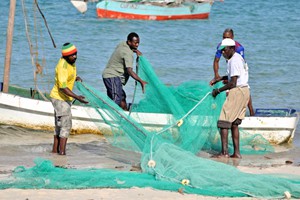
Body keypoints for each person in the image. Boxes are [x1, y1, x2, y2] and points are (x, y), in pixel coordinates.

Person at [210, 38, 250, 159]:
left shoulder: (234, 60)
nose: (222, 53)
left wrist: (217, 91)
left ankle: (224, 152)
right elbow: (234, 77)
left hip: (237, 92)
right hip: (245, 91)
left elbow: (232, 83)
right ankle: (236, 153)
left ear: (231, 48)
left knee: (224, 121)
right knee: (234, 123)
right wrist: (221, 78)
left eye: (224, 50)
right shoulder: (238, 58)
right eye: (221, 50)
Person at [50, 43, 88, 155]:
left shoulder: (70, 62)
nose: (75, 57)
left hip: (61, 98)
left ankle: (54, 152)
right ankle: (62, 153)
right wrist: (77, 97)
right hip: (60, 99)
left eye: (75, 54)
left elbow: (68, 75)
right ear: (66, 56)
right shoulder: (63, 66)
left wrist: (75, 77)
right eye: (72, 55)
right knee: (66, 126)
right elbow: (62, 87)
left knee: (59, 126)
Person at [210, 28, 254, 116]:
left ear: (232, 37)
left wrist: (232, 78)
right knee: (230, 91)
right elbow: (216, 61)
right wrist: (216, 77)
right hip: (230, 67)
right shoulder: (221, 46)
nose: (226, 39)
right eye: (224, 37)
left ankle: (252, 112)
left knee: (243, 86)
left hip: (238, 68)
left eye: (228, 37)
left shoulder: (238, 48)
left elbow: (240, 64)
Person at [102, 32, 147, 111]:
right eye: (135, 43)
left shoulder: (122, 44)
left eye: (138, 43)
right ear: (129, 42)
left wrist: (135, 50)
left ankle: (125, 114)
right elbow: (129, 71)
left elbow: (126, 49)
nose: (137, 45)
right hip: (112, 76)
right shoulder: (128, 53)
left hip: (112, 77)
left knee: (122, 98)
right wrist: (141, 81)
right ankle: (110, 116)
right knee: (116, 99)